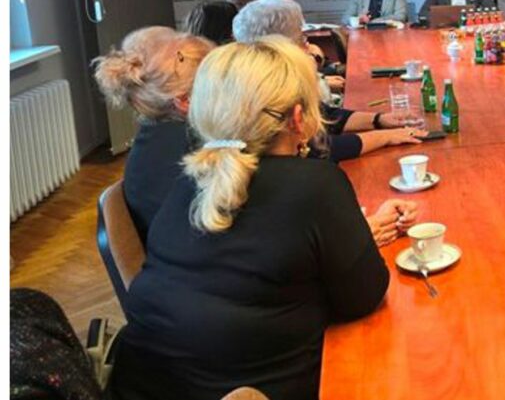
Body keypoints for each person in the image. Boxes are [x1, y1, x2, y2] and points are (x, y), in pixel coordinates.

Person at [106, 37, 393, 399]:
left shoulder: (187, 181)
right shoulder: (316, 185)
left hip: (143, 386)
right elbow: (363, 298)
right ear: (298, 118)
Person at [232, 0, 426, 161]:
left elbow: (326, 114)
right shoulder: (267, 89)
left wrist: (379, 119)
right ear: (281, 45)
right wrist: (385, 137)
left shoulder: (261, 74)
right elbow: (318, 148)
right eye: (302, 38)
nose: (307, 46)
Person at [93, 26, 214, 244]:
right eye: (219, 83)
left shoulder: (154, 135)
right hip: (193, 254)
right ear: (185, 100)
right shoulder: (193, 153)